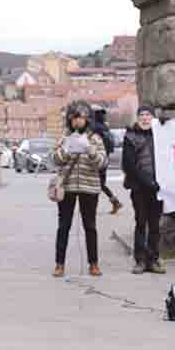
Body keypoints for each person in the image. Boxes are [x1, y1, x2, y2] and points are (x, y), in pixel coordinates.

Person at [53, 101, 109, 278]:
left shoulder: (95, 138)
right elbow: (55, 159)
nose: (77, 121)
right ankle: (59, 264)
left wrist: (91, 151)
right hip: (67, 186)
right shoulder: (64, 137)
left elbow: (103, 163)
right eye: (74, 118)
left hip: (89, 186)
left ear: (87, 120)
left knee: (90, 226)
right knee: (64, 226)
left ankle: (93, 264)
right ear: (70, 120)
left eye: (81, 118)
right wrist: (66, 150)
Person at [120, 106, 164, 274]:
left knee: (155, 225)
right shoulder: (130, 136)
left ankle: (153, 259)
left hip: (157, 188)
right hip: (139, 187)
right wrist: (147, 182)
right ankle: (140, 260)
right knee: (141, 223)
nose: (145, 118)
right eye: (142, 115)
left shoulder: (160, 134)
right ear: (138, 118)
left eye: (148, 115)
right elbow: (128, 164)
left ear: (153, 117)